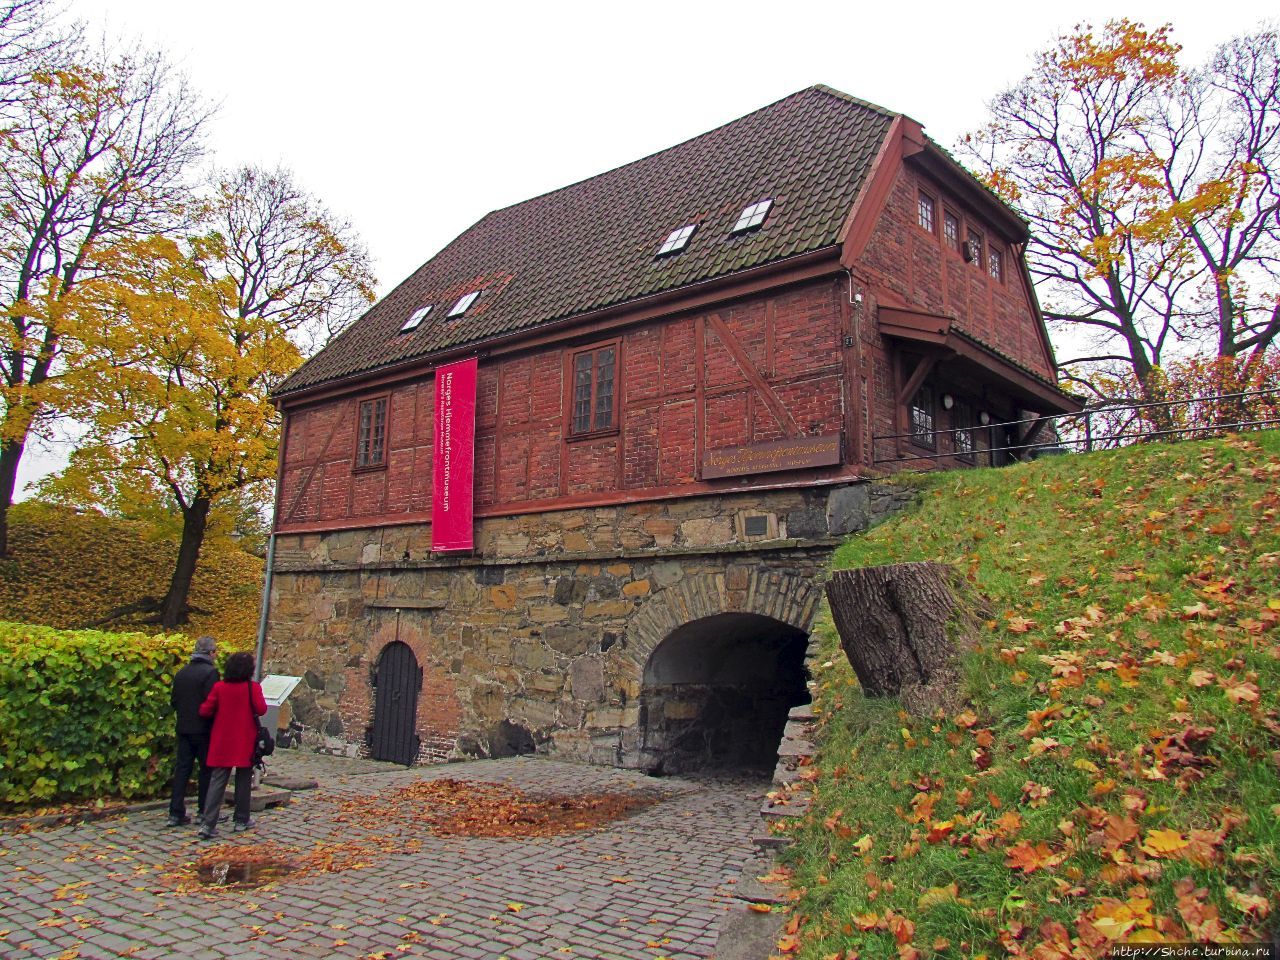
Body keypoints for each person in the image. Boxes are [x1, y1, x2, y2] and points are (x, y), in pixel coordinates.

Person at [196, 651, 267, 840]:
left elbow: (205, 710)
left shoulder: (220, 687)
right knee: (244, 780)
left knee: (218, 781)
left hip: (223, 739)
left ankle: (208, 823)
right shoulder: (252, 688)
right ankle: (241, 819)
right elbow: (261, 709)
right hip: (244, 739)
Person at [167, 635, 219, 827]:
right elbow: (212, 701)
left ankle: (175, 812)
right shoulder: (210, 673)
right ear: (211, 653)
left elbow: (174, 701)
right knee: (206, 770)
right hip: (204, 729)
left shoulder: (182, 673)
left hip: (184, 727)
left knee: (182, 769)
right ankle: (203, 810)